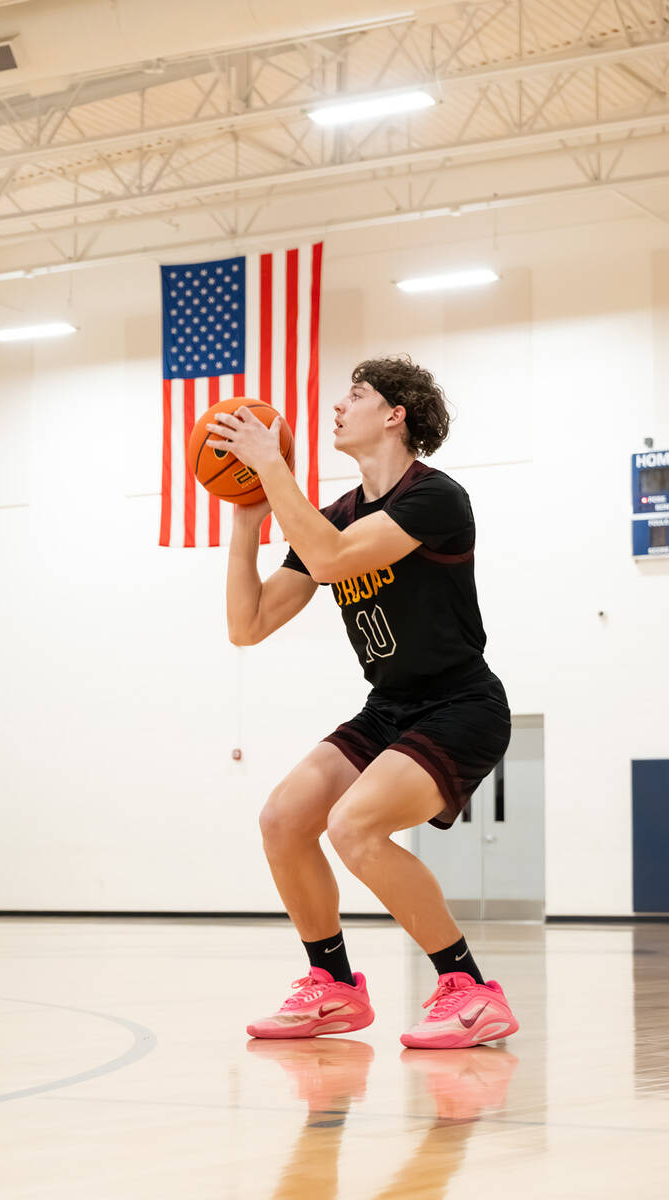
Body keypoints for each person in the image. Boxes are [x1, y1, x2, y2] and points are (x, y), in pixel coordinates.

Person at [206, 355, 518, 1049]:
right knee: (283, 819)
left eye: (356, 394)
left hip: (460, 705)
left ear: (395, 414)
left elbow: (334, 561)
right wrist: (247, 520)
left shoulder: (435, 499)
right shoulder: (336, 514)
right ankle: (334, 988)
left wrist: (272, 467)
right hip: (389, 706)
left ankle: (468, 989)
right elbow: (246, 625)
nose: (338, 407)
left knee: (354, 827)